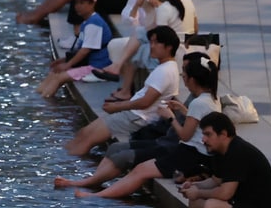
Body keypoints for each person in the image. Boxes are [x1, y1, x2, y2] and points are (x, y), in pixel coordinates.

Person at [61, 53, 221, 198]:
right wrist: (183, 111)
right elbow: (200, 122)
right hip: (189, 151)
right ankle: (93, 185)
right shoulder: (210, 99)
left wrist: (170, 117)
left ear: (193, 79)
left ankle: (95, 194)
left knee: (140, 170)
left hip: (190, 154)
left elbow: (185, 135)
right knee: (138, 167)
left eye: (185, 77)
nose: (184, 81)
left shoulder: (199, 103)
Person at [64, 26, 181, 156]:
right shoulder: (165, 68)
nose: (152, 46)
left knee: (88, 140)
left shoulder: (165, 71)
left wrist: (117, 106)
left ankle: (69, 166)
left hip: (137, 117)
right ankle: (64, 158)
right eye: (151, 42)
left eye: (156, 42)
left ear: (169, 47)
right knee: (84, 133)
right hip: (133, 114)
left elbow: (145, 102)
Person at [180, 112, 271, 208]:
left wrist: (198, 192)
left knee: (211, 206)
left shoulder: (237, 151)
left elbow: (225, 193)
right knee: (195, 201)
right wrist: (194, 186)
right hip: (241, 205)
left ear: (223, 134)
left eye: (208, 134)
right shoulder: (220, 151)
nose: (203, 139)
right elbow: (215, 181)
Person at [100, 0, 188, 101]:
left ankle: (122, 82)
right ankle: (120, 76)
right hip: (167, 44)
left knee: (136, 51)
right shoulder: (171, 4)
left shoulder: (164, 9)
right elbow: (150, 28)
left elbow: (159, 35)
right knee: (139, 34)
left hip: (169, 49)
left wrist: (148, 10)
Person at [37, 0, 112, 98]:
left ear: (92, 4)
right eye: (76, 3)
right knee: (54, 72)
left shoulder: (94, 24)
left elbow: (85, 50)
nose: (77, 6)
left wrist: (67, 65)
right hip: (90, 63)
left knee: (59, 77)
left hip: (98, 67)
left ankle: (46, 101)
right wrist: (63, 60)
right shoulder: (87, 22)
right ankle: (39, 96)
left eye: (82, 3)